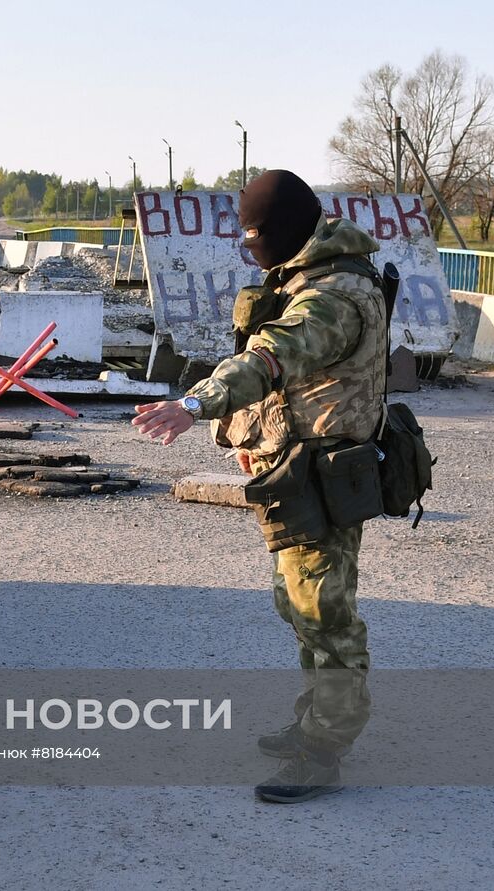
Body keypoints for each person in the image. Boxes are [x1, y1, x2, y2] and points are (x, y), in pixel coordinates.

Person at [131, 170, 387, 804]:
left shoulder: (332, 296)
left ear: (288, 232)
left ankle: (323, 751)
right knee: (296, 603)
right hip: (297, 471)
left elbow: (272, 355)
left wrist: (195, 404)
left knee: (324, 615)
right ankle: (314, 722)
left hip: (323, 474)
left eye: (256, 239)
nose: (252, 252)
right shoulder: (314, 273)